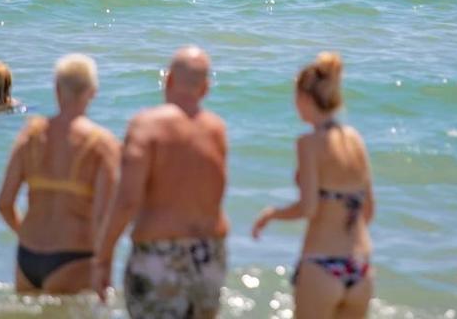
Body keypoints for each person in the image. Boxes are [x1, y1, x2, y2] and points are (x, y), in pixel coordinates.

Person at [94, 46, 228, 318]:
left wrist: (103, 257)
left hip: (160, 254)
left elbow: (128, 200)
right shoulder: (217, 130)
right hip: (210, 254)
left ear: (168, 81)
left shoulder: (146, 126)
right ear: (205, 89)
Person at [252, 53, 375, 318]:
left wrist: (272, 214)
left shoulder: (308, 144)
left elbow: (309, 208)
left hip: (322, 266)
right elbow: (368, 210)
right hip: (359, 266)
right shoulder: (355, 140)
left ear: (305, 98)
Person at [0, 54, 120, 294]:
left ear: (56, 89)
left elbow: (4, 203)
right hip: (74, 256)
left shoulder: (30, 136)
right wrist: (103, 264)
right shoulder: (101, 144)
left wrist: (27, 234)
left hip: (28, 256)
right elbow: (104, 216)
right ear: (93, 91)